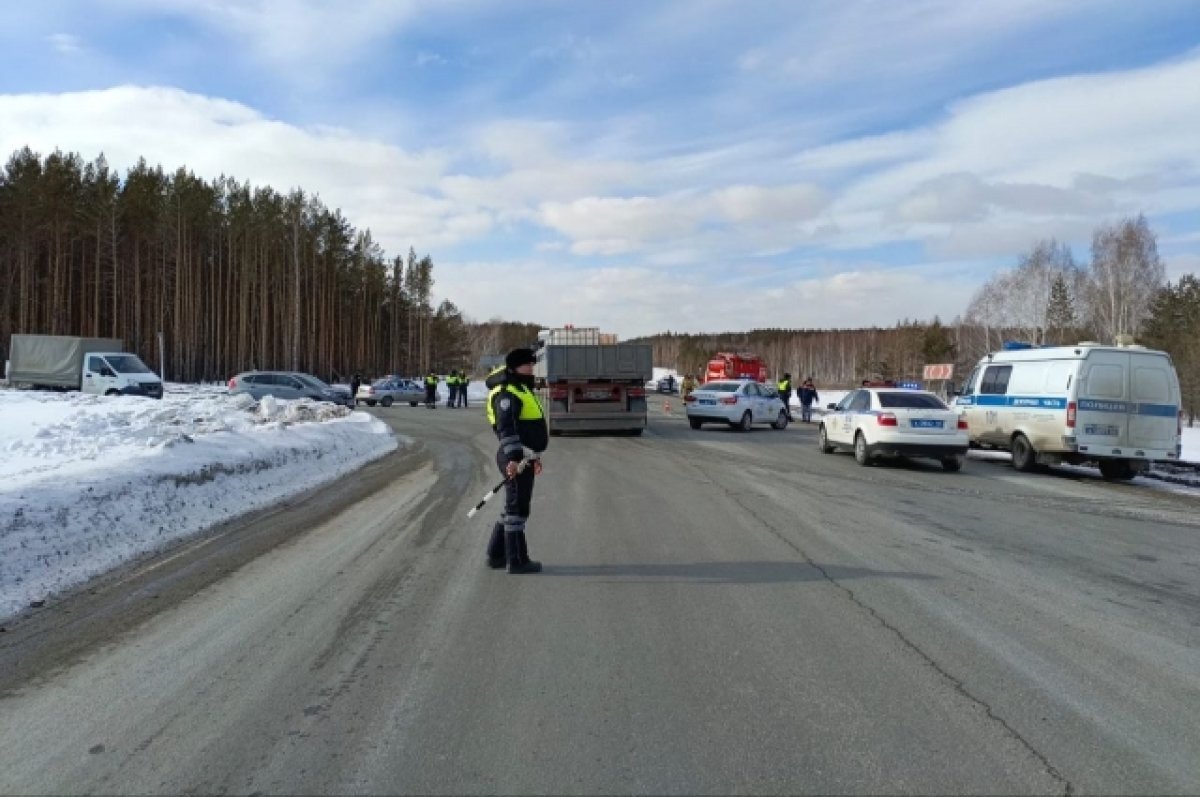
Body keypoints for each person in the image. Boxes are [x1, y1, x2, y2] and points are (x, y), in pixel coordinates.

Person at [485, 347, 549, 574]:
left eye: (532, 364)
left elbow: (528, 427)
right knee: (517, 509)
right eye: (527, 365)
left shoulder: (521, 388)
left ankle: (496, 555)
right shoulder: (507, 392)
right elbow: (507, 428)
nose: (531, 368)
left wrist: (534, 457)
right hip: (515, 456)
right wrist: (514, 459)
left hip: (524, 456)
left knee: (516, 506)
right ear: (515, 366)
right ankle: (516, 560)